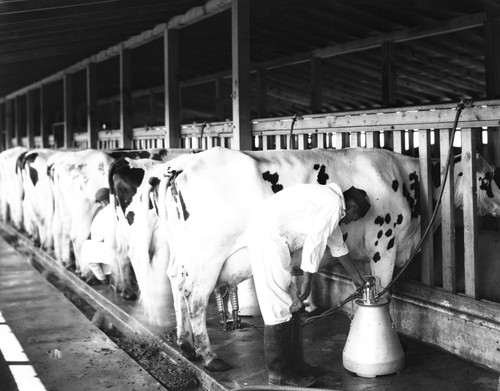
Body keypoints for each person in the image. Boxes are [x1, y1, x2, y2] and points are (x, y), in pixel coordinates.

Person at [248, 182, 371, 387]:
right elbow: (314, 244)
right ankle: (279, 373)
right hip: (268, 239)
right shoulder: (332, 206)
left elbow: (339, 247)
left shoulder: (330, 204)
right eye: (354, 218)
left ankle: (296, 365)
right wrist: (307, 281)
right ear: (351, 208)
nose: (350, 222)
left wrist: (358, 279)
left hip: (276, 240)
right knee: (279, 305)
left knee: (292, 303)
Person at [80, 187, 116, 286]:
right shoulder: (121, 208)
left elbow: (97, 237)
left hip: (114, 252)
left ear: (103, 202)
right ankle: (110, 274)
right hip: (128, 251)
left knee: (87, 248)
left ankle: (102, 278)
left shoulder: (102, 214)